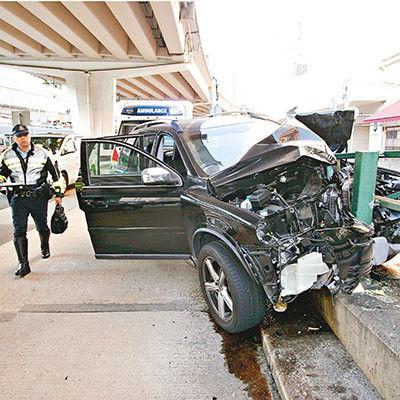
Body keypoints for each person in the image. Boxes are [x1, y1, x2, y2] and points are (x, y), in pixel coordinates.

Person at [0, 124, 64, 277]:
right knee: (18, 231)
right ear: (14, 138)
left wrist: (58, 194)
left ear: (29, 136)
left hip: (38, 198)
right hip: (18, 199)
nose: (23, 138)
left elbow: (55, 176)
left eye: (25, 135)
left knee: (42, 226)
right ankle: (24, 264)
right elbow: (3, 173)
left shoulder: (42, 153)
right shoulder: (7, 155)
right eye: (20, 136)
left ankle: (44, 246)